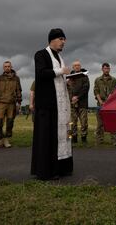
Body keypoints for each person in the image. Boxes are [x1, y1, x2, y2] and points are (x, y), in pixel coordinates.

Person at [31, 28, 73, 180]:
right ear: (52, 39)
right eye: (61, 39)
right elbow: (42, 73)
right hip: (47, 105)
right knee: (47, 138)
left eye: (64, 40)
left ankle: (61, 168)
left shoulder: (59, 57)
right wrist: (61, 71)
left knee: (62, 135)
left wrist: (66, 79)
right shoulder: (41, 54)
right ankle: (47, 170)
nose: (63, 42)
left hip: (60, 105)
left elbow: (57, 76)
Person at [0, 61, 22, 148]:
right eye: (5, 66)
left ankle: (6, 140)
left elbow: (19, 90)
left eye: (8, 66)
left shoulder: (16, 78)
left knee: (10, 123)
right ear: (3, 68)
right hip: (0, 103)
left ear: (11, 67)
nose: (7, 68)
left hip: (12, 104)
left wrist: (19, 103)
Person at [94, 63, 116, 145]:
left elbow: (114, 91)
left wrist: (108, 101)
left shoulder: (113, 79)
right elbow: (96, 91)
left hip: (110, 103)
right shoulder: (98, 80)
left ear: (109, 69)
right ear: (102, 69)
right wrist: (100, 101)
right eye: (105, 68)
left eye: (108, 68)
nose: (106, 70)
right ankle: (99, 140)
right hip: (100, 103)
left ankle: (114, 140)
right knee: (100, 123)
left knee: (112, 122)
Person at [67, 60, 90, 144]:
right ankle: (74, 138)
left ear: (80, 66)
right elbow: (67, 89)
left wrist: (78, 97)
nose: (77, 67)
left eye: (78, 65)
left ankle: (84, 138)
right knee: (72, 122)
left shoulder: (84, 76)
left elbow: (86, 88)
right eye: (75, 65)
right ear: (73, 67)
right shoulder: (69, 77)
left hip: (82, 103)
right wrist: (71, 98)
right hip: (72, 103)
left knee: (84, 122)